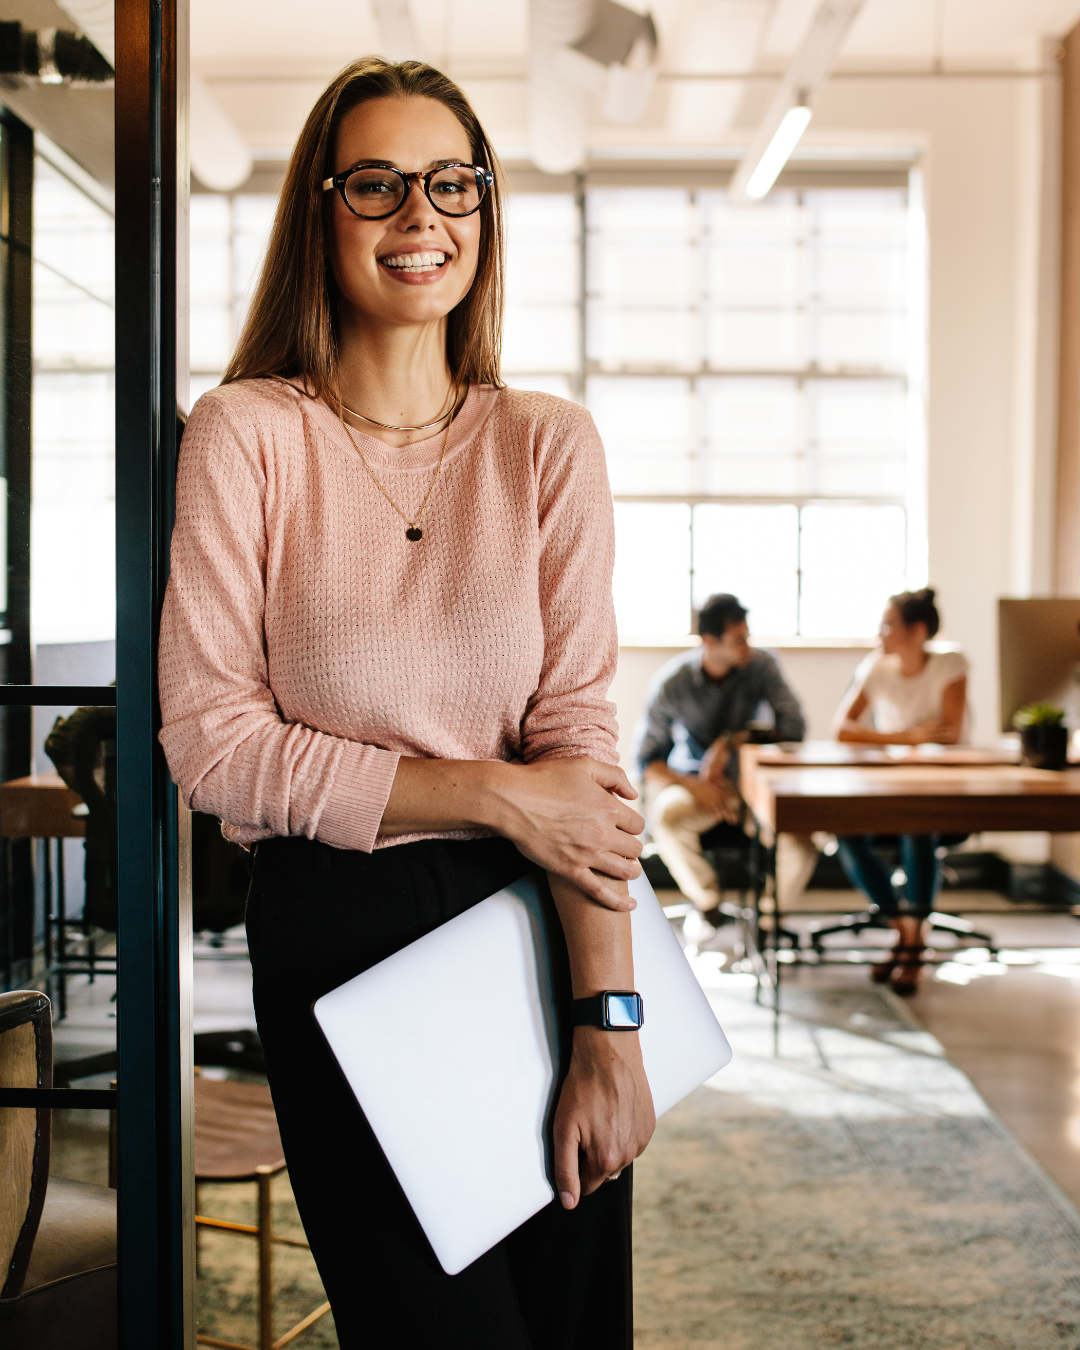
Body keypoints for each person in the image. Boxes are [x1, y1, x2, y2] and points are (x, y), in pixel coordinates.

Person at [157, 58, 653, 1350]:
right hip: (342, 933)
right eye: (374, 183)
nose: (417, 216)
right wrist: (492, 790)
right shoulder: (248, 432)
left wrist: (612, 1025)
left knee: (566, 1324)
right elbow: (212, 743)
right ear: (321, 212)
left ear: (485, 213)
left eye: (451, 183)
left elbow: (583, 751)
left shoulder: (546, 443)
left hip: (539, 929)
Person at [633, 593, 806, 936]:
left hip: (755, 788)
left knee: (802, 840)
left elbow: (795, 727)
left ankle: (767, 920)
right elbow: (645, 760)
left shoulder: (762, 667)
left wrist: (732, 741)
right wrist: (695, 786)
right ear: (710, 641)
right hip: (697, 786)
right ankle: (709, 904)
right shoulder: (674, 683)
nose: (748, 647)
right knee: (667, 819)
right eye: (738, 640)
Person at [831, 587, 969, 994]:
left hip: (939, 790)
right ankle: (907, 932)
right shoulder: (877, 667)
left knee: (917, 827)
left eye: (888, 624)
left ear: (918, 630)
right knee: (846, 833)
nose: (880, 633)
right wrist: (908, 736)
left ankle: (909, 947)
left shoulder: (950, 663)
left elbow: (950, 733)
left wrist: (893, 741)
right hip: (888, 786)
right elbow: (842, 730)